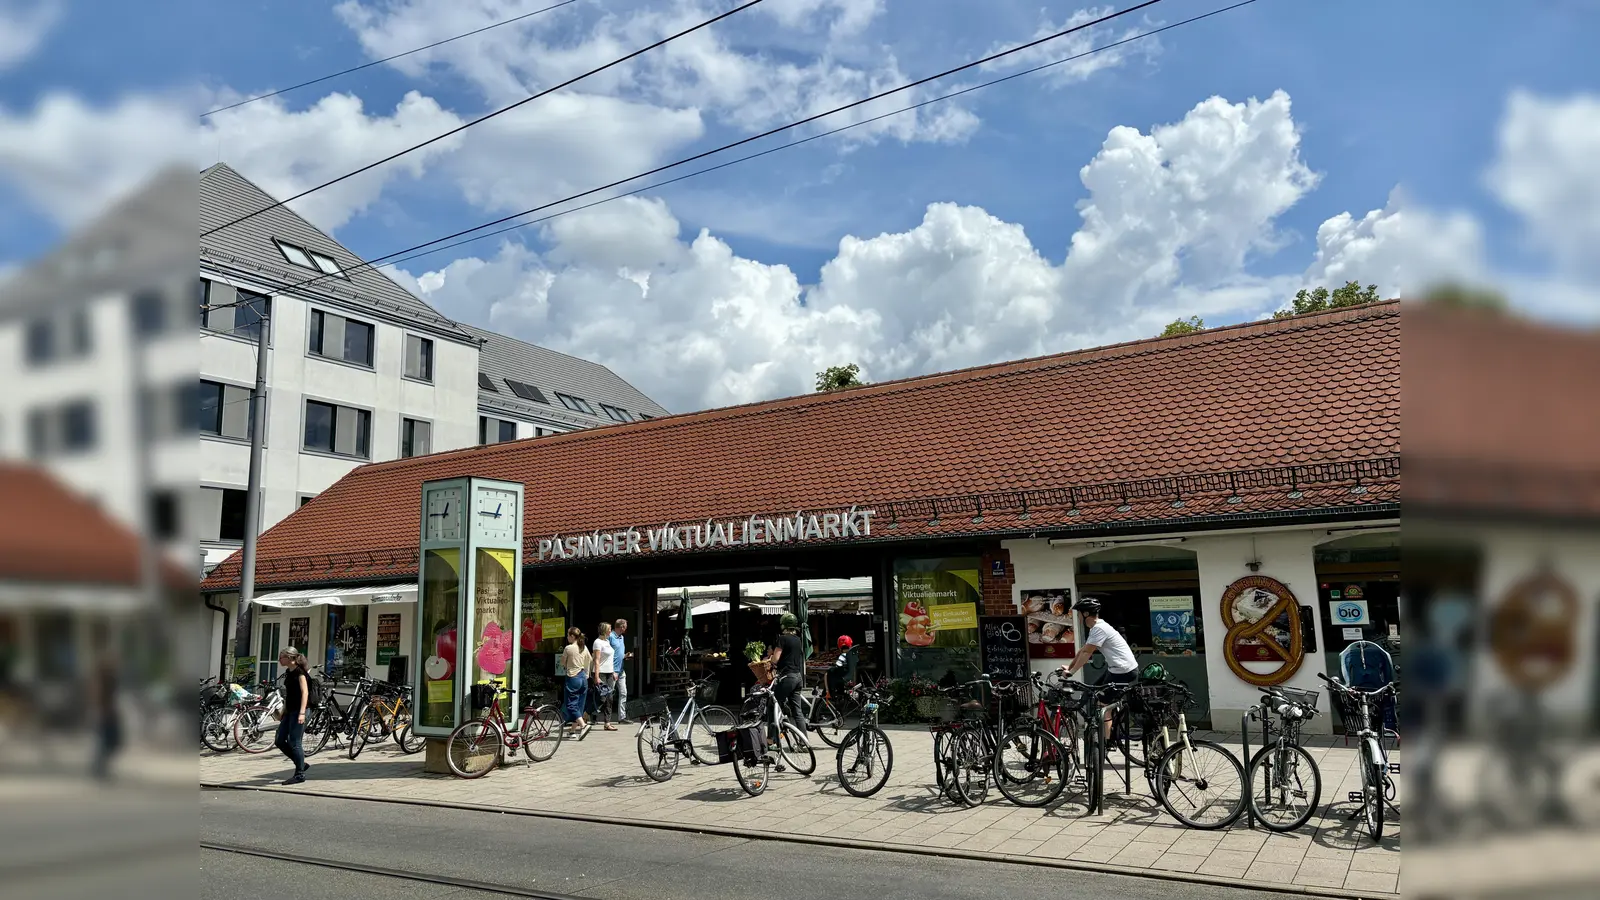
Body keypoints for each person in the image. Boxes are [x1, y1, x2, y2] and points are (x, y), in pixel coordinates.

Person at [1056, 597, 1139, 744]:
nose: (1078, 617)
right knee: (1091, 690)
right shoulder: (1097, 628)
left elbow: (1087, 653)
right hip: (1116, 669)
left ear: (1086, 614)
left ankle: (1107, 742)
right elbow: (1083, 650)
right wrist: (1069, 667)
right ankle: (1107, 726)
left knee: (1103, 705)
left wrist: (1072, 672)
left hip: (1123, 671)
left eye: (1079, 613)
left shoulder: (1099, 628)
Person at [275, 647, 311, 784]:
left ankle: (300, 774)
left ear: (290, 658)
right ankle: (300, 763)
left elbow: (305, 693)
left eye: (281, 657)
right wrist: (283, 711)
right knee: (279, 740)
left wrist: (302, 713)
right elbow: (289, 694)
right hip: (289, 711)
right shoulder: (288, 672)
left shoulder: (300, 673)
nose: (279, 660)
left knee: (295, 742)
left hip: (299, 711)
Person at [767, 613, 807, 734]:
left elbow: (775, 658)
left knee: (772, 705)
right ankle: (803, 741)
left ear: (783, 625)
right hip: (798, 677)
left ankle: (771, 738)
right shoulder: (798, 640)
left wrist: (771, 662)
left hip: (787, 677)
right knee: (797, 712)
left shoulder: (782, 639)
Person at [560, 627, 592, 734]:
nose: (567, 637)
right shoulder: (584, 647)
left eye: (568, 635)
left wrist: (568, 664)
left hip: (573, 677)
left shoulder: (568, 648)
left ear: (572, 636)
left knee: (571, 705)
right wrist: (586, 674)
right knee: (579, 705)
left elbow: (562, 662)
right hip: (583, 677)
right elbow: (589, 660)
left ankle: (583, 725)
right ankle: (572, 731)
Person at [592, 622, 617, 731]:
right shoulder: (597, 642)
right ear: (604, 630)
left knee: (610, 698)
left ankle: (607, 723)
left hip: (609, 673)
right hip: (601, 672)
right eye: (609, 629)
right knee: (602, 698)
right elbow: (596, 660)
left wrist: (613, 672)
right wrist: (597, 676)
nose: (611, 631)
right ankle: (586, 714)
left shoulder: (607, 641)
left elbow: (609, 659)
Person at [610, 618, 632, 725]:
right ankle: (594, 714)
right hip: (612, 671)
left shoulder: (622, 637)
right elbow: (607, 654)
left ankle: (622, 717)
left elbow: (618, 654)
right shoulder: (610, 637)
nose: (626, 629)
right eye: (625, 627)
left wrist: (625, 656)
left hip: (621, 670)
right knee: (608, 695)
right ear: (621, 627)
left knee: (623, 693)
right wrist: (611, 670)